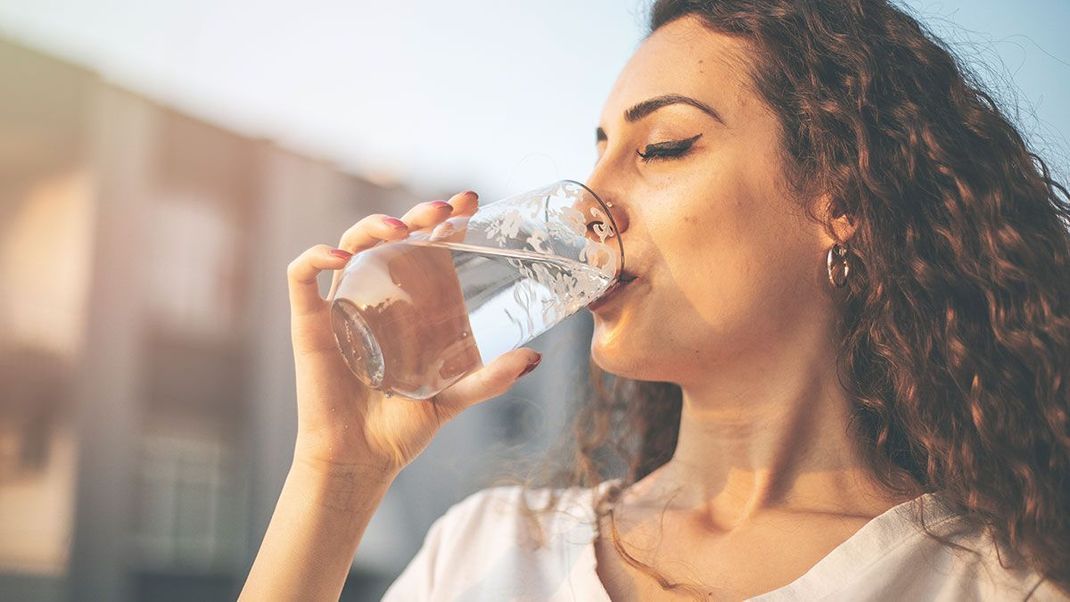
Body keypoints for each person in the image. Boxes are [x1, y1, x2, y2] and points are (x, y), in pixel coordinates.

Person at [240, 0, 1070, 599]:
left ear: (839, 200)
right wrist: (337, 475)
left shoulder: (990, 585)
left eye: (664, 147)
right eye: (596, 153)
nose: (584, 207)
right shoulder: (490, 550)